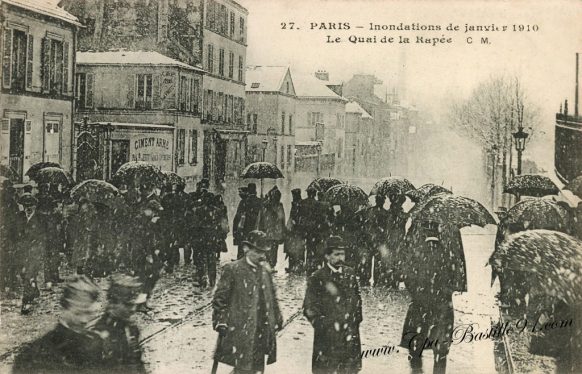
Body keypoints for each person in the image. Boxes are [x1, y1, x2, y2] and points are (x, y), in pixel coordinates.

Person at [212, 230, 284, 374]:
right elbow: (220, 299)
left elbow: (272, 297)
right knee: (243, 369)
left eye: (264, 252)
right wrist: (221, 320)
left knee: (257, 369)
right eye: (258, 251)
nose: (262, 255)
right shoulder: (233, 270)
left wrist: (277, 317)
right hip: (241, 330)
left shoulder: (265, 271)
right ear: (246, 249)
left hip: (261, 331)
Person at [12, 276, 104, 373]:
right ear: (65, 307)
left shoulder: (96, 344)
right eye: (79, 312)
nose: (84, 320)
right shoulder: (34, 355)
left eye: (88, 313)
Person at [400, 221, 454, 374]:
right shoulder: (447, 253)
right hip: (442, 303)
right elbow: (455, 278)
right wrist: (444, 293)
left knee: (418, 334)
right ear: (438, 233)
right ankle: (439, 363)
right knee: (440, 337)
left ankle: (416, 361)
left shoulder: (418, 251)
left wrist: (417, 293)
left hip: (421, 301)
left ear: (424, 234)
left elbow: (407, 276)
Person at [303, 236, 363, 374]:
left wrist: (355, 321)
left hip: (349, 335)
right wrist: (324, 325)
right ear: (327, 256)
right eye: (336, 254)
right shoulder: (318, 277)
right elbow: (309, 307)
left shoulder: (350, 274)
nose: (341, 258)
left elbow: (357, 299)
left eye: (343, 254)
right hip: (327, 339)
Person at [93, 274, 147, 373]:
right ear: (114, 304)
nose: (133, 309)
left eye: (134, 306)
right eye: (128, 305)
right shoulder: (103, 330)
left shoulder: (132, 327)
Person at [16, 193, 45, 315]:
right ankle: (35, 289)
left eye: (31, 205)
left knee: (29, 275)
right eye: (25, 205)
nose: (28, 208)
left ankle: (26, 302)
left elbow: (45, 236)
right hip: (22, 252)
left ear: (35, 206)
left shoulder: (40, 219)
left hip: (35, 252)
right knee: (24, 274)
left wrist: (38, 245)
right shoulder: (20, 217)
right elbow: (15, 233)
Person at [361, 194, 391, 286]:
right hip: (379, 240)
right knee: (378, 261)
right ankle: (377, 280)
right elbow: (386, 228)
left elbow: (365, 225)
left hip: (369, 239)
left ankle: (366, 279)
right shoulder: (386, 213)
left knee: (368, 261)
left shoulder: (368, 211)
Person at [297, 187, 327, 275]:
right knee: (314, 249)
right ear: (314, 194)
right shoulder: (318, 204)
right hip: (315, 230)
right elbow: (321, 218)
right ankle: (313, 266)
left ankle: (307, 265)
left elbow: (299, 216)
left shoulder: (302, 203)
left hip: (305, 230)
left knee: (307, 248)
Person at [257, 186, 286, 269]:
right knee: (274, 249)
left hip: (267, 231)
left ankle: (269, 263)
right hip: (275, 232)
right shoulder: (278, 206)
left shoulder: (265, 205)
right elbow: (282, 218)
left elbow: (260, 219)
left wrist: (260, 229)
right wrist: (282, 230)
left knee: (268, 249)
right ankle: (272, 264)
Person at [233, 183, 262, 259]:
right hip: (256, 228)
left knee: (243, 248)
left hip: (244, 229)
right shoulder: (260, 201)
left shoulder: (243, 202)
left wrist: (235, 230)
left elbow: (238, 217)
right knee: (254, 248)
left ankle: (242, 260)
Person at [284, 188, 305, 274]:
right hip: (298, 231)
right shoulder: (299, 204)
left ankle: (294, 266)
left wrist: (292, 224)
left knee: (294, 249)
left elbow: (294, 216)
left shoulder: (297, 204)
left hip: (296, 231)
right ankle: (296, 266)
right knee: (297, 250)